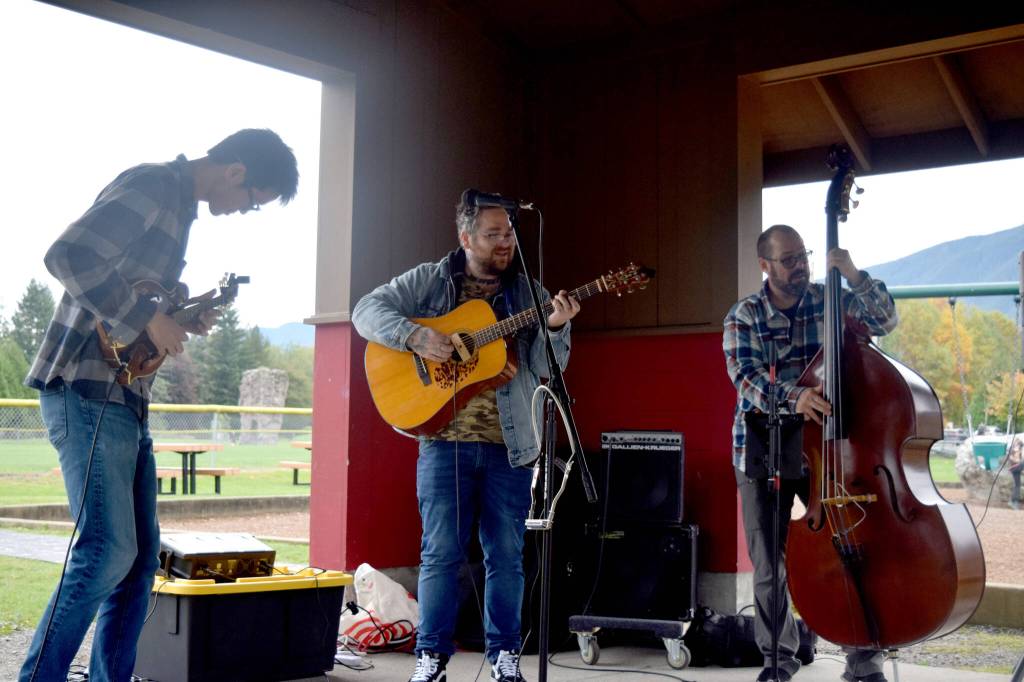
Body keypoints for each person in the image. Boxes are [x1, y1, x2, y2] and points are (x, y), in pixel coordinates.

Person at [20, 129, 298, 682]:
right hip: (85, 389)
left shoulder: (181, 211)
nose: (243, 212)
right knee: (105, 551)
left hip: (126, 401)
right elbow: (68, 254)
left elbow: (133, 307)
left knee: (140, 563)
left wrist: (178, 318)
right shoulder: (153, 184)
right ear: (236, 172)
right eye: (252, 202)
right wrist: (149, 317)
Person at [351, 189, 580, 682]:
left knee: (507, 556)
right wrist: (416, 337)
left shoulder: (530, 294)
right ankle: (430, 658)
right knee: (440, 554)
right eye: (494, 234)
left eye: (511, 234)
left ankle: (504, 658)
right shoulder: (430, 281)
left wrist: (556, 328)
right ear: (466, 237)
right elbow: (365, 311)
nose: (506, 243)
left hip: (511, 447)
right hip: (443, 444)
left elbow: (546, 367)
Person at [722, 224, 898, 682]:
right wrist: (793, 397)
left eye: (804, 257)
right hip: (764, 449)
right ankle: (778, 661)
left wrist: (855, 275)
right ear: (765, 265)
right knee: (769, 564)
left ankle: (863, 662)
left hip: (831, 451)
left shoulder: (830, 299)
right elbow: (745, 377)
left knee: (852, 551)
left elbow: (885, 321)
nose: (801, 267)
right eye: (789, 260)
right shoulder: (744, 315)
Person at [1008, 437, 1023, 510]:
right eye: (1018, 444)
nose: (1019, 446)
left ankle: (1013, 501)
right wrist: (1018, 461)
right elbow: (1011, 459)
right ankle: (1014, 501)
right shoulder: (1012, 450)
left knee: (1017, 485)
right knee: (1017, 485)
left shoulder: (1019, 450)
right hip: (1015, 467)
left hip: (1017, 468)